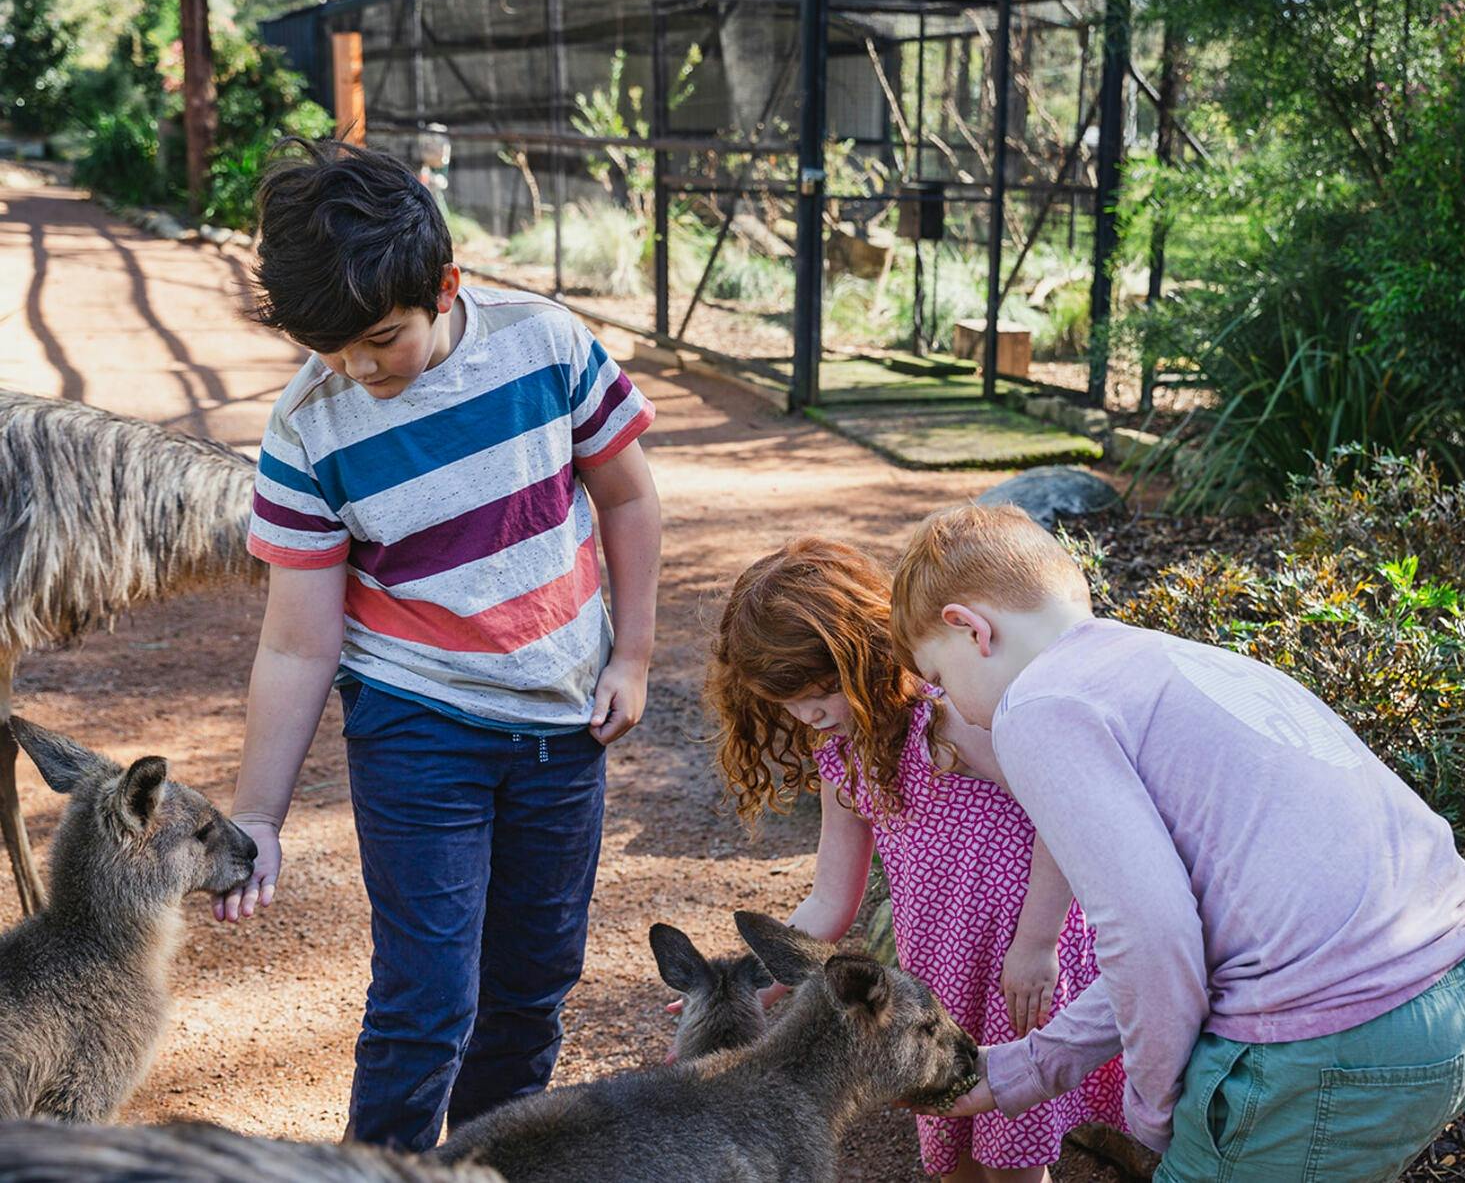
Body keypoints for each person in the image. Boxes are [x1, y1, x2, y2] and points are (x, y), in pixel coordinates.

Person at [216, 138, 661, 1152]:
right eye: (332, 349)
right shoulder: (307, 426)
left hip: (560, 717)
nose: (358, 369)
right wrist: (259, 816)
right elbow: (296, 643)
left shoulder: (545, 344)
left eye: (379, 339)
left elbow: (629, 493)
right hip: (418, 723)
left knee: (534, 980)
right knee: (427, 997)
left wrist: (631, 653)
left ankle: (487, 1163)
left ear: (446, 284)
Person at [889, 503, 1465, 1182]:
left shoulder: (1037, 706)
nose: (949, 705)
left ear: (969, 628)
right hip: (1463, 989)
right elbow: (1171, 939)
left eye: (940, 680)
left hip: (1326, 1041)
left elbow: (1151, 938)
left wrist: (1158, 1113)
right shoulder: (1164, 661)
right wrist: (1023, 1070)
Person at [704, 537, 1125, 1183]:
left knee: (1011, 1161)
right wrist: (750, 982)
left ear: (865, 652)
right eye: (789, 702)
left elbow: (1061, 811)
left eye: (821, 690)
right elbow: (829, 901)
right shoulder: (842, 757)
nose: (809, 713)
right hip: (941, 977)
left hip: (1016, 966)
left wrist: (1037, 942)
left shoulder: (950, 718)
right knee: (951, 1152)